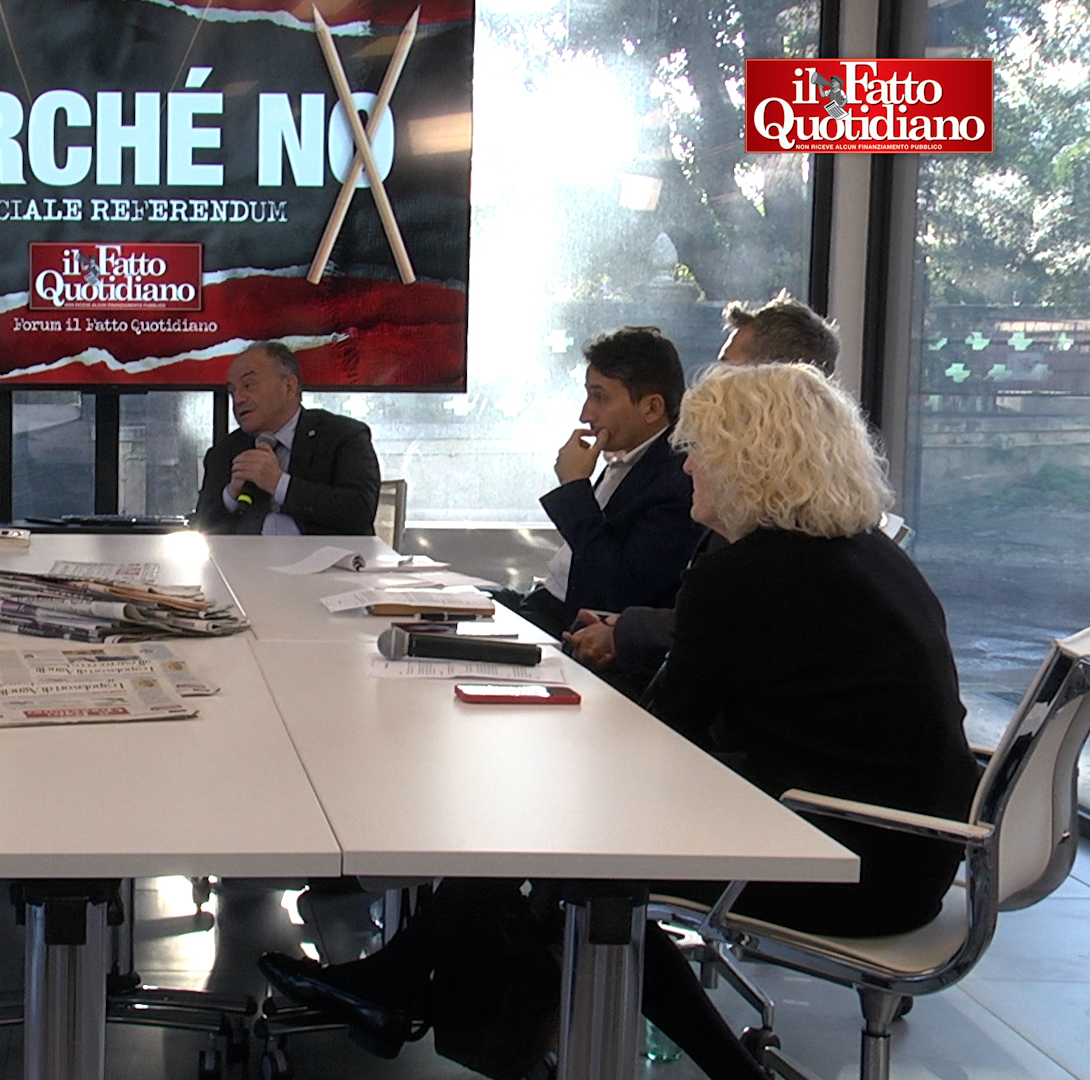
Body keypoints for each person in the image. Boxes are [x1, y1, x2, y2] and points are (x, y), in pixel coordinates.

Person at [258, 362, 979, 1080]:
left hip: (838, 860)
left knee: (578, 869)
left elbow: (665, 748)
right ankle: (398, 986)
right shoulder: (865, 552)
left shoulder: (747, 573)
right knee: (553, 840)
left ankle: (405, 989)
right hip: (913, 852)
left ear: (747, 462)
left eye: (700, 450)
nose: (686, 465)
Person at [565, 295, 841, 685]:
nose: (711, 382)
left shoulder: (783, 508)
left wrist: (622, 631)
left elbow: (717, 627)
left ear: (776, 381)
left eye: (727, 369)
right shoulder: (786, 489)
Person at [501, 326, 704, 636]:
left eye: (599, 397)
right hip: (542, 601)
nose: (585, 415)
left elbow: (615, 590)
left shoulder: (678, 481)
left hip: (571, 625)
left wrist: (574, 487)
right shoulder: (628, 457)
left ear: (652, 408)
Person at [193, 342, 380, 535]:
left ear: (289, 387)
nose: (238, 399)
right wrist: (230, 496)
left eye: (249, 385)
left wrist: (278, 483)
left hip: (321, 555)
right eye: (232, 391)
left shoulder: (343, 436)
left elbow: (360, 513)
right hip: (241, 555)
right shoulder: (224, 451)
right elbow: (200, 527)